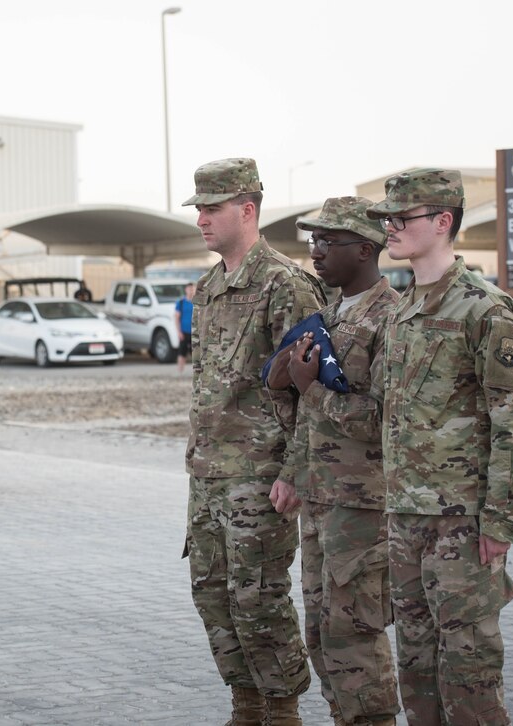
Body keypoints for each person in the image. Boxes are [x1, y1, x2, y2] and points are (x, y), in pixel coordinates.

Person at [366, 169, 513, 725]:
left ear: (444, 222)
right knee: (416, 670)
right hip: (406, 517)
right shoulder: (401, 310)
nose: (390, 227)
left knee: (469, 674)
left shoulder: (483, 309)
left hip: (461, 522)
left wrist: (501, 521)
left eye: (402, 218)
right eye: (386, 218)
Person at [181, 157, 324, 725]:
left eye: (212, 209)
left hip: (260, 475)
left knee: (258, 598)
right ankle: (245, 703)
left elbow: (314, 394)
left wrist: (296, 470)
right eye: (198, 210)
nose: (201, 221)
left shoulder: (285, 284)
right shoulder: (210, 286)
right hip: (208, 472)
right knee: (212, 595)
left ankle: (282, 706)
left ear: (247, 209)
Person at [264, 197, 400, 726]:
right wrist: (294, 469)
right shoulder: (328, 316)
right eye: (312, 241)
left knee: (356, 639)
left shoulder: (390, 319)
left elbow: (389, 420)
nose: (315, 253)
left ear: (365, 249)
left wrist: (309, 388)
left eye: (328, 242)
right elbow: (306, 414)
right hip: (322, 500)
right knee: (321, 637)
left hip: (363, 506)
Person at [173, 282, 194, 373]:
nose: (191, 291)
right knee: (182, 352)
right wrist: (178, 332)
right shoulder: (181, 302)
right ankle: (179, 372)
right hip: (184, 332)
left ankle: (196, 373)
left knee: (196, 353)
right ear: (186, 290)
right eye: (189, 289)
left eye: (192, 289)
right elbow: (176, 318)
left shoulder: (197, 302)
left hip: (195, 332)